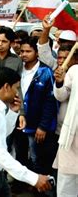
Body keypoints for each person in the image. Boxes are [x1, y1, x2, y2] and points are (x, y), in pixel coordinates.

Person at [0, 67, 52, 196]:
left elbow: (1, 133)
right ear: (6, 87)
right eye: (16, 88)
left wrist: (13, 112)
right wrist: (34, 178)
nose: (17, 92)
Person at [18, 37, 58, 177]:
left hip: (36, 125)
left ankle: (38, 186)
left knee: (37, 158)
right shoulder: (17, 68)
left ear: (37, 53)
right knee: (19, 155)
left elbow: (50, 101)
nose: (24, 54)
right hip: (18, 121)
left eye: (28, 51)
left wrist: (43, 126)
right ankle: (21, 182)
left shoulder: (45, 72)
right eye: (22, 51)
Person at [53, 55, 78, 196]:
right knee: (67, 184)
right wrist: (60, 81)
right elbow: (61, 95)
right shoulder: (75, 70)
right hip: (71, 136)